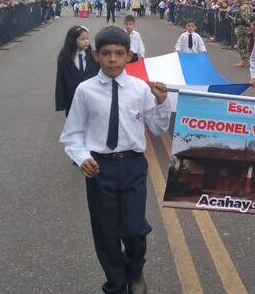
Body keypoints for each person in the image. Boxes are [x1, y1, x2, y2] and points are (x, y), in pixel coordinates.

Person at [60, 26, 172, 294]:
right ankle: (115, 284)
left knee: (134, 228)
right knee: (106, 231)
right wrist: (82, 156)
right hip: (100, 168)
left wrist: (161, 103)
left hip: (132, 165)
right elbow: (72, 134)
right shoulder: (85, 91)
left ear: (129, 55)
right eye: (107, 53)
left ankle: (135, 270)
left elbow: (156, 128)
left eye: (119, 54)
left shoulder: (140, 89)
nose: (112, 59)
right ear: (96, 55)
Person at [55, 25, 100, 116]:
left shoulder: (93, 56)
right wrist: (60, 102)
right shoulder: (64, 58)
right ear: (73, 40)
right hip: (72, 99)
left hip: (92, 97)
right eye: (82, 39)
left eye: (87, 38)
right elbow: (60, 80)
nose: (86, 41)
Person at [233, 0, 253, 68]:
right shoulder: (248, 5)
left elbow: (245, 18)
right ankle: (244, 60)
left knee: (242, 45)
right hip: (244, 28)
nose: (237, 0)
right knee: (244, 45)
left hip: (243, 28)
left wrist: (239, 21)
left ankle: (245, 61)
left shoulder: (244, 7)